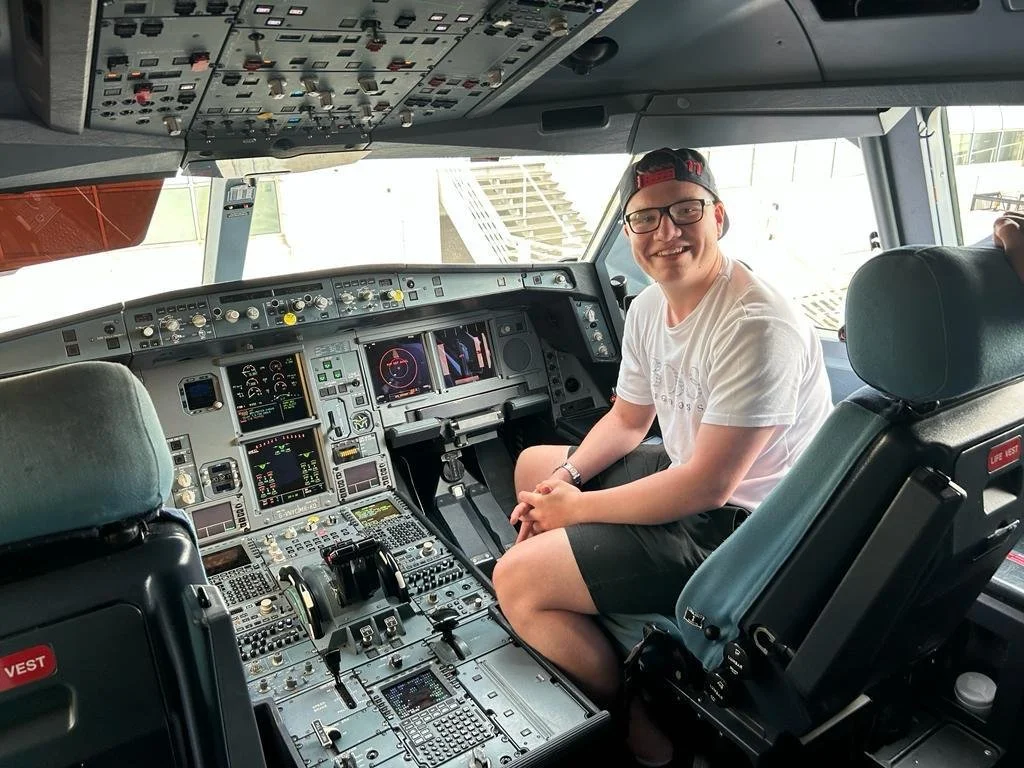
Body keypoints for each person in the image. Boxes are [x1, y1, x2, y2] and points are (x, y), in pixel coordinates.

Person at [491, 148, 834, 766]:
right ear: (628, 231)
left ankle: (634, 715)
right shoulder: (649, 307)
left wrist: (577, 510)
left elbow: (707, 484)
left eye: (685, 211)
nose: (666, 232)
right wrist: (564, 482)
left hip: (743, 530)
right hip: (691, 479)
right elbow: (628, 419)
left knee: (513, 580)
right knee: (534, 467)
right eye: (646, 218)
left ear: (719, 217)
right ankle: (575, 604)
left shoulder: (756, 325)